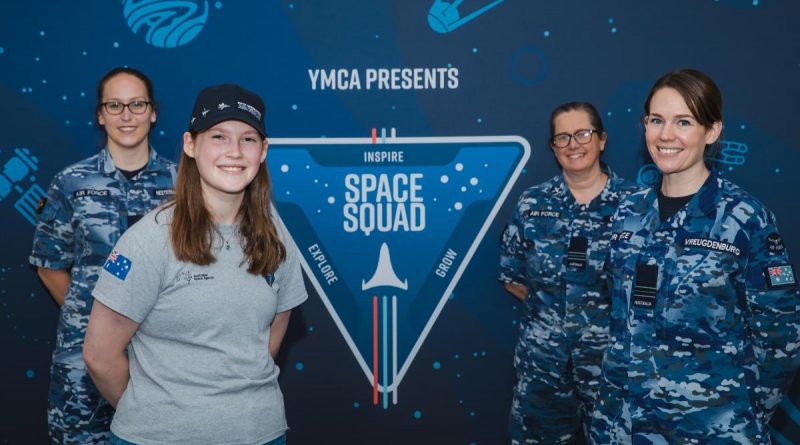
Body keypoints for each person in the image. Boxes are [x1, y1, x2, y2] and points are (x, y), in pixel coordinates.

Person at [83, 84, 307, 445]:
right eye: (218, 136)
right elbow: (99, 355)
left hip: (261, 434)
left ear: (263, 152)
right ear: (191, 145)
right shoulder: (149, 239)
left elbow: (269, 339)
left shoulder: (275, 234)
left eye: (248, 139)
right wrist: (161, 413)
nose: (234, 152)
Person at [591, 69, 800, 444]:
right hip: (621, 426)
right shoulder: (626, 212)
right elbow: (618, 316)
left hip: (709, 428)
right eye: (656, 120)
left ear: (713, 131)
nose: (665, 135)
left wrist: (737, 413)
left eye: (683, 122)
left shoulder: (745, 218)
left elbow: (781, 340)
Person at [29, 67, 176, 444]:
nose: (126, 116)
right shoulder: (71, 182)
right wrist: (97, 320)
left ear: (153, 111)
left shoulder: (182, 186)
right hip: (82, 363)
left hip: (160, 359)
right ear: (100, 114)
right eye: (115, 105)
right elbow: (49, 265)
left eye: (136, 104)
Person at [498, 102, 638, 444]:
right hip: (543, 367)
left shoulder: (637, 206)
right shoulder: (532, 204)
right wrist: (556, 317)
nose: (573, 144)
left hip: (613, 368)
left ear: (602, 140)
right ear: (553, 147)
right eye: (562, 137)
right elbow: (512, 276)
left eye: (583, 133)